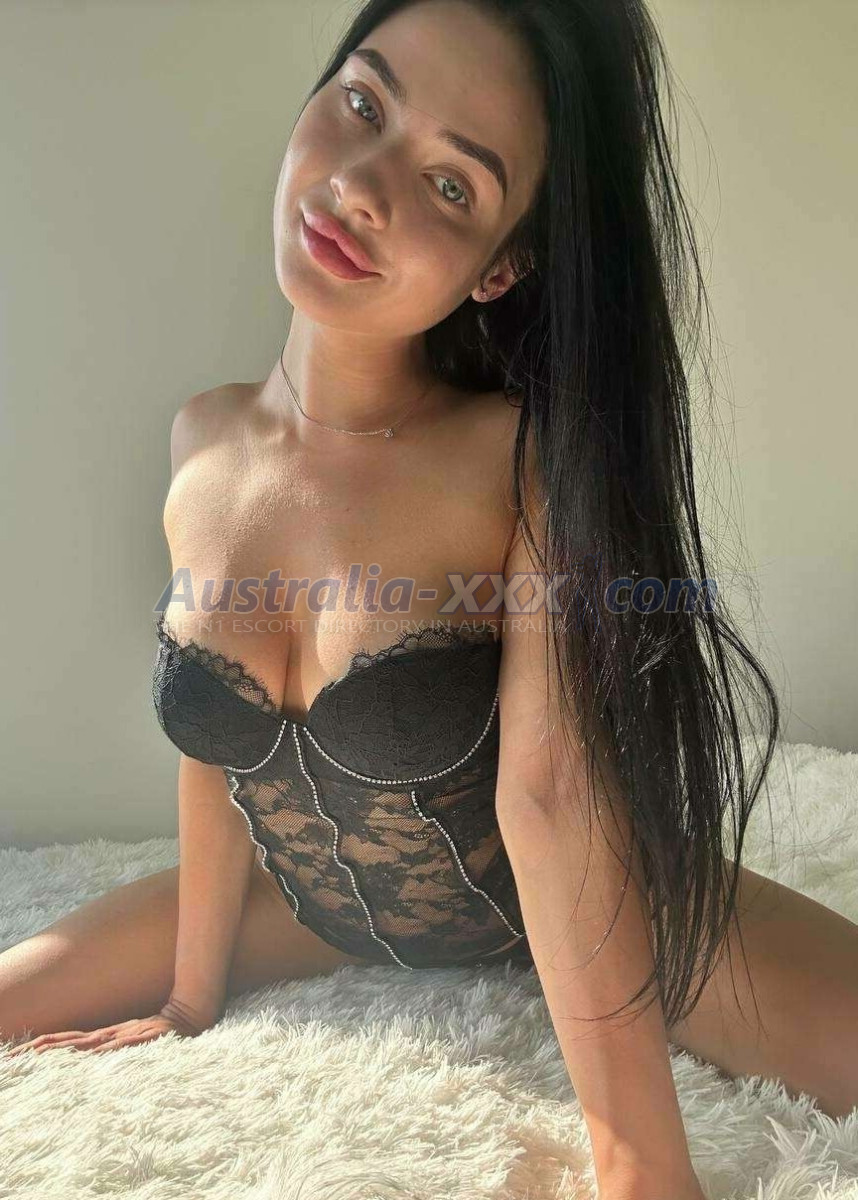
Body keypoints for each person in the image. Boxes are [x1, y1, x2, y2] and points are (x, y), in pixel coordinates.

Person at [3, 2, 856, 1197]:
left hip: (594, 915)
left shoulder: (521, 459)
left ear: (500, 265)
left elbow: (553, 798)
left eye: (452, 185)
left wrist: (639, 1164)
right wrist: (191, 997)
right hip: (308, 905)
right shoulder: (201, 440)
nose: (362, 188)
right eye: (363, 102)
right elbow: (214, 754)